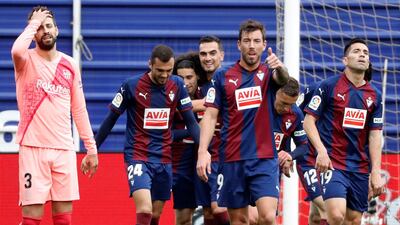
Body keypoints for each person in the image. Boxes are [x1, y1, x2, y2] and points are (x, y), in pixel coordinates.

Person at [11, 6, 98, 225]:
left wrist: (91, 148)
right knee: (31, 220)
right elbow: (16, 50)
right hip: (33, 148)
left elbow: (79, 109)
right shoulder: (25, 61)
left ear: (57, 30)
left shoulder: (69, 64)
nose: (45, 30)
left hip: (64, 149)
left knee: (63, 220)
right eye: (39, 28)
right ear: (33, 33)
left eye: (48, 25)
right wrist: (34, 23)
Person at [197, 19, 289, 225]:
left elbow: (284, 80)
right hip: (232, 159)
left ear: (264, 45)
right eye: (247, 41)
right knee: (238, 220)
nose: (252, 45)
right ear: (239, 44)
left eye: (257, 41)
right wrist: (203, 151)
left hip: (264, 158)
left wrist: (281, 67)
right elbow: (210, 115)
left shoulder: (269, 74)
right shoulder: (222, 76)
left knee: (267, 217)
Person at [95, 44, 200, 225]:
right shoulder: (131, 86)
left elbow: (191, 122)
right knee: (144, 210)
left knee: (155, 215)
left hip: (164, 159)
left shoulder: (177, 85)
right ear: (149, 64)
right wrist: (92, 148)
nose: (164, 75)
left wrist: (205, 151)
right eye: (160, 70)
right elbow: (110, 119)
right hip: (138, 156)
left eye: (168, 70)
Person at [303, 38, 385, 225]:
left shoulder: (375, 96)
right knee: (336, 215)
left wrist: (376, 171)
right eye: (356, 51)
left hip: (359, 167)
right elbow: (308, 122)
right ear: (345, 60)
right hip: (333, 163)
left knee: (353, 221)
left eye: (365, 52)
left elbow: (375, 135)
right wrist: (321, 152)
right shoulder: (328, 86)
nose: (362, 54)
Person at [248, 78, 308, 225]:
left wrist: (289, 155)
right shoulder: (256, 105)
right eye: (283, 103)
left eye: (291, 104)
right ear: (275, 94)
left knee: (267, 218)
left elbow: (304, 145)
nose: (287, 108)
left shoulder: (295, 114)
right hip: (247, 165)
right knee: (249, 218)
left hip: (270, 169)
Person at [195, 35, 230, 225]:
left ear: (222, 55)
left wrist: (185, 104)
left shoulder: (229, 80)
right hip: (201, 155)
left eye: (212, 53)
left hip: (224, 155)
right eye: (203, 54)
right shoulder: (196, 83)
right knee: (207, 212)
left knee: (221, 208)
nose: (208, 58)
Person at [171, 52, 204, 225]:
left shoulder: (208, 93)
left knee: (214, 211)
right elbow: (166, 135)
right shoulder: (169, 98)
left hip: (205, 157)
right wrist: (194, 131)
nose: (185, 82)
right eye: (180, 77)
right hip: (181, 161)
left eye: (189, 77)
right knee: (183, 217)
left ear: (197, 75)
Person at [296, 81, 328, 225]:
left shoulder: (358, 97)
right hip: (308, 159)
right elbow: (293, 112)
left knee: (316, 215)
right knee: (327, 207)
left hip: (331, 159)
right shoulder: (316, 90)